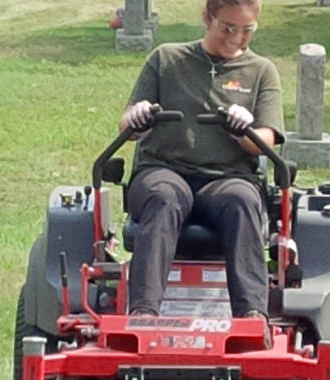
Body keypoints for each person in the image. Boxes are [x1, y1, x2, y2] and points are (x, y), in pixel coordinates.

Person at [118, 0, 284, 349]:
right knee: (164, 197)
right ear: (207, 18)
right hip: (164, 170)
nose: (236, 38)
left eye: (246, 29)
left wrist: (246, 130)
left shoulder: (261, 71)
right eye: (227, 27)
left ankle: (253, 317)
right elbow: (127, 125)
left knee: (241, 200)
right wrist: (139, 116)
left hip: (226, 178)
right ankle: (144, 313)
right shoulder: (167, 60)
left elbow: (267, 140)